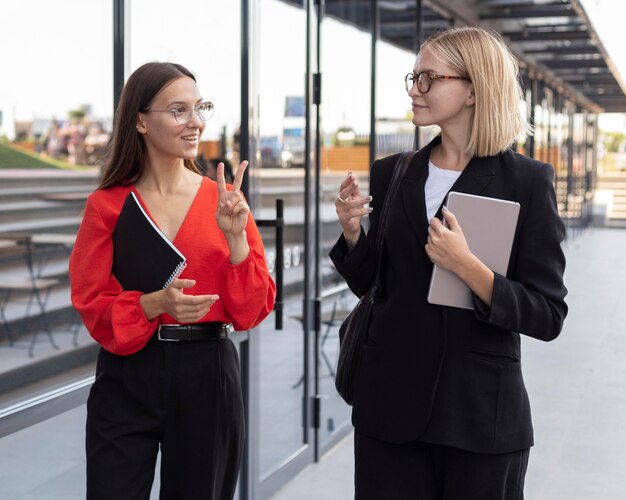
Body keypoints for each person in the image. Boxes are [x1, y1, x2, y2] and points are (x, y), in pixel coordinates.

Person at [330, 27, 567, 500]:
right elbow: (377, 287)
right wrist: (353, 232)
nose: (414, 90)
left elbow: (547, 314)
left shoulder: (527, 181)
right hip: (388, 410)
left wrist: (469, 267)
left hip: (479, 420)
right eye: (412, 78)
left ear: (474, 89)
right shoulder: (393, 171)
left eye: (428, 79)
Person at [69, 62, 276, 500]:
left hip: (208, 374)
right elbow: (91, 303)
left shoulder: (223, 202)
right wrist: (154, 304)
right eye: (178, 110)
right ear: (141, 121)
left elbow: (253, 309)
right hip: (128, 375)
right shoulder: (107, 205)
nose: (196, 121)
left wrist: (236, 238)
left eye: (199, 108)